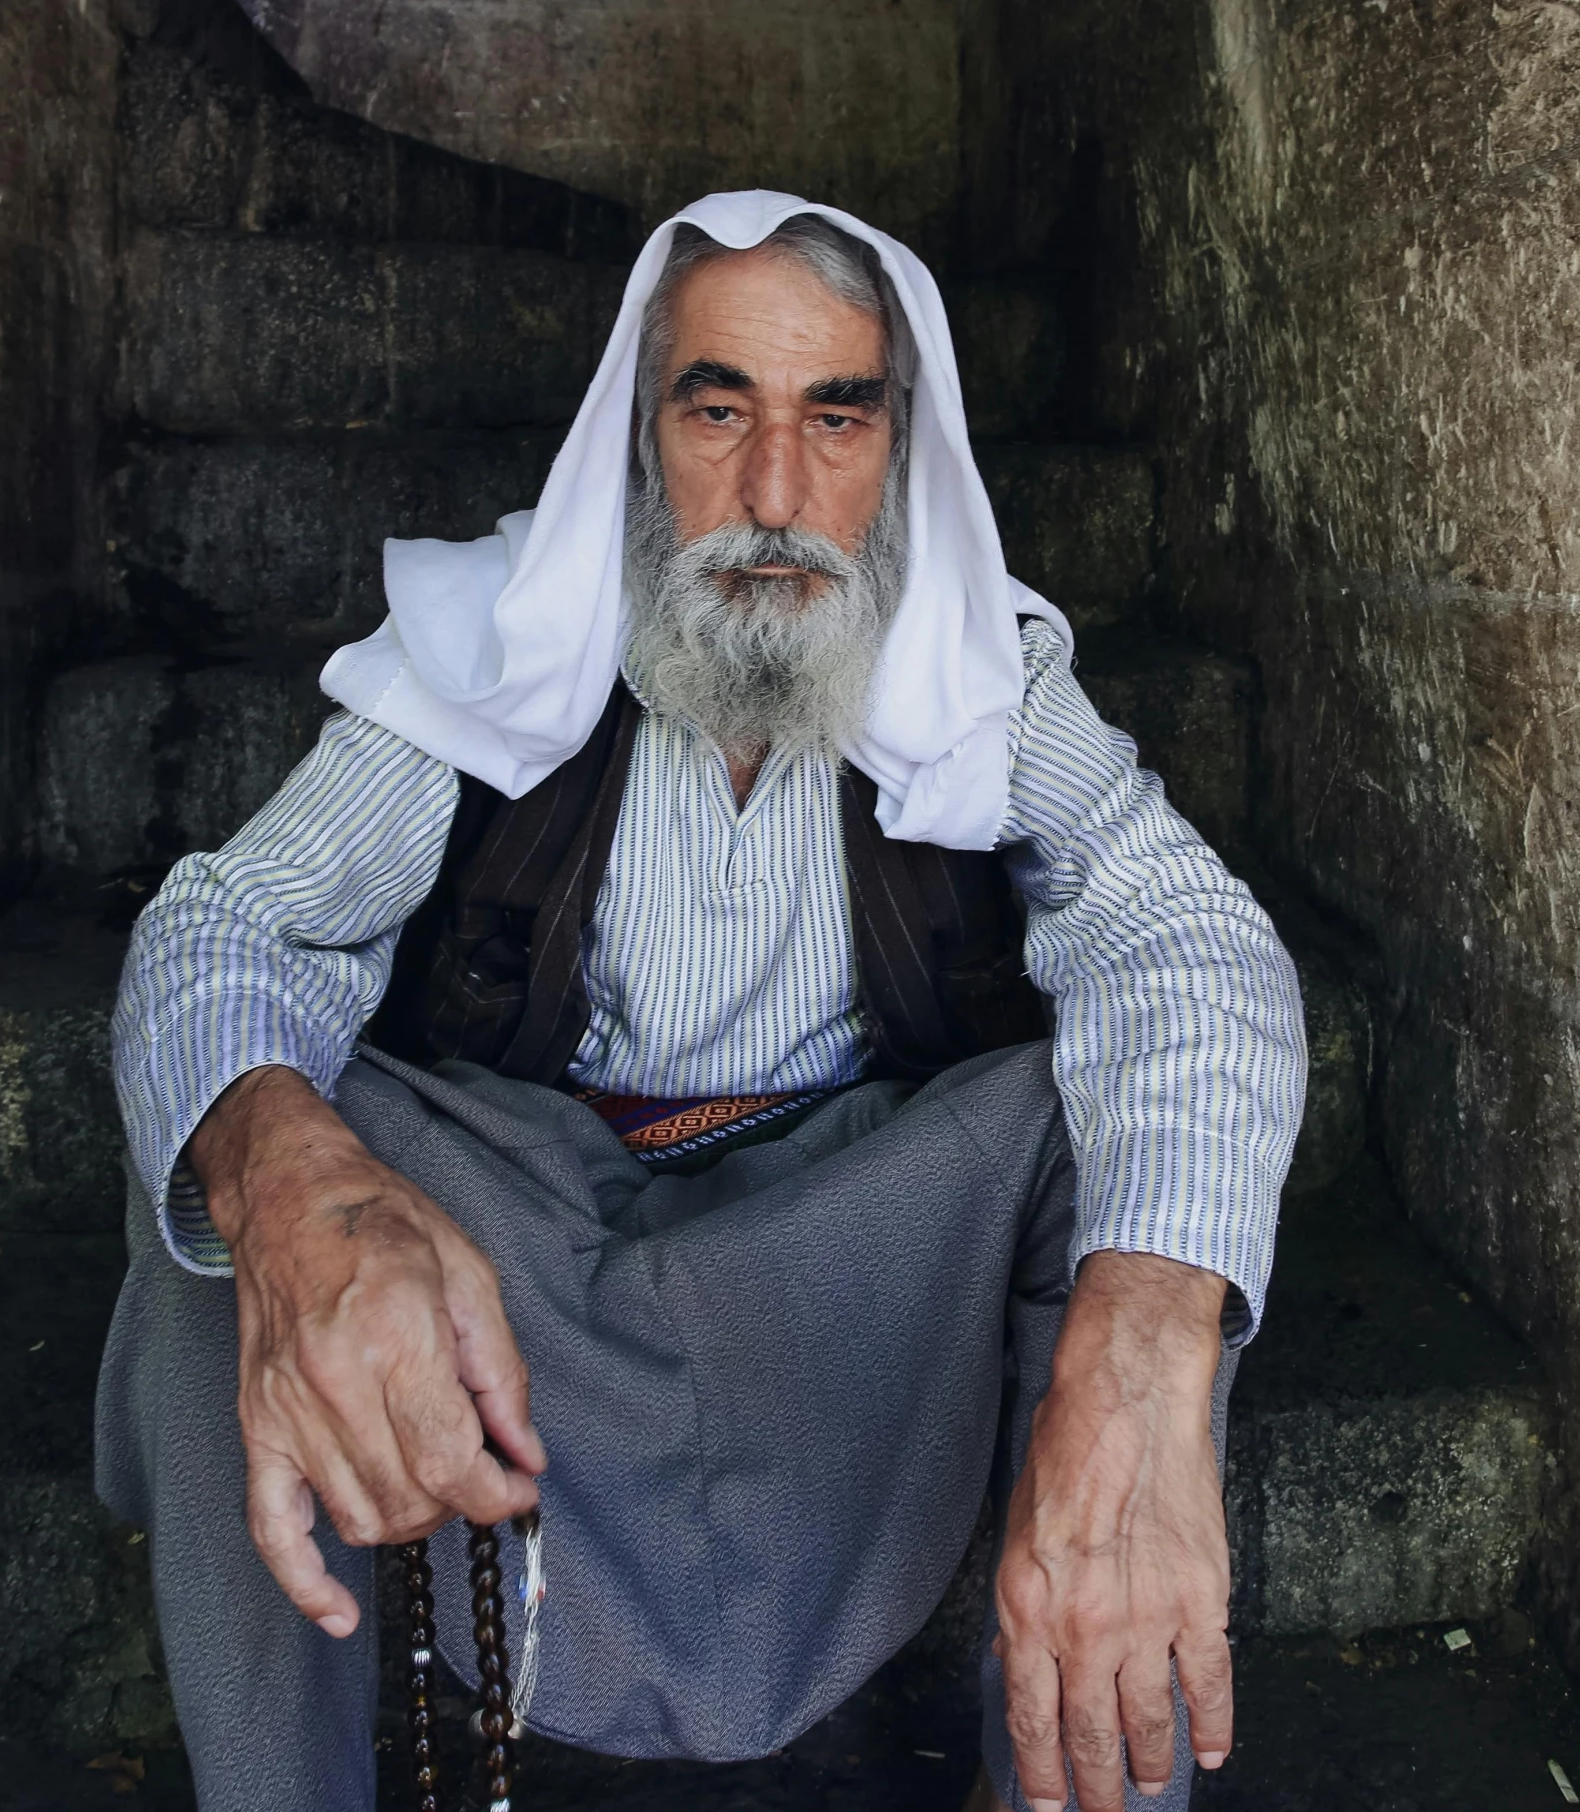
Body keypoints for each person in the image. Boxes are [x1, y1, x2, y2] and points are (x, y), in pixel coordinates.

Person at [96, 191, 1306, 1812]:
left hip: (850, 1257)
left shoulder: (974, 673)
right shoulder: (498, 641)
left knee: (1123, 1152)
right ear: (641, 429)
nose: (774, 494)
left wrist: (1147, 1343)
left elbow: (1191, 941)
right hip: (517, 1247)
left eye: (836, 415)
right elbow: (227, 927)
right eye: (718, 406)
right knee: (240, 1148)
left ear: (899, 448)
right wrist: (293, 1182)